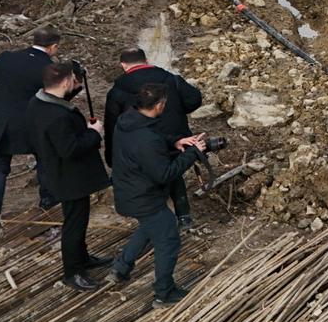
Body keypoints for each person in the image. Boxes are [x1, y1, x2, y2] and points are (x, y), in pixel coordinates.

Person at [108, 84, 205, 307]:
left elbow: (152, 138)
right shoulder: (147, 138)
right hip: (143, 196)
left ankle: (121, 268)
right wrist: (193, 153)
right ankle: (164, 292)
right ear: (160, 105)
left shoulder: (127, 120)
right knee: (168, 238)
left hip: (128, 190)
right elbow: (165, 174)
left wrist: (175, 141)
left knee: (150, 226)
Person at [30, 62, 110, 291]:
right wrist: (94, 133)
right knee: (75, 224)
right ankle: (72, 272)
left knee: (77, 220)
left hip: (58, 171)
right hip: (70, 178)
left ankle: (82, 257)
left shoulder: (38, 101)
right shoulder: (57, 116)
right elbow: (70, 149)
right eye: (74, 81)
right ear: (66, 81)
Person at [104, 48, 203, 228]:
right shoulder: (170, 79)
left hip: (139, 143)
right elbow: (194, 99)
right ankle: (183, 215)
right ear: (146, 60)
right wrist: (177, 109)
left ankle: (155, 216)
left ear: (123, 65)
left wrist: (112, 157)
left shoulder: (117, 91)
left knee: (151, 175)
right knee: (173, 173)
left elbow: (112, 125)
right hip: (175, 133)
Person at [0, 28, 62, 225]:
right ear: (53, 46)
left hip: (2, 121)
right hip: (34, 122)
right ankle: (48, 204)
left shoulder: (5, 58)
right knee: (45, 161)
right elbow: (57, 97)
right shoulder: (50, 68)